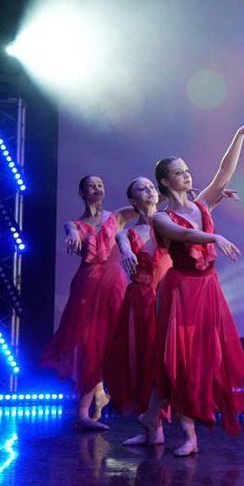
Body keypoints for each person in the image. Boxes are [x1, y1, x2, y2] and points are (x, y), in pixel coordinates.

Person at [137, 116, 244, 456]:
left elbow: (224, 172)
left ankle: (150, 419)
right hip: (180, 293)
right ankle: (188, 435)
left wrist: (239, 135)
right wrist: (214, 236)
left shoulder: (202, 204)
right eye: (178, 172)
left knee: (200, 359)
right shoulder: (161, 217)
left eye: (187, 170)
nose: (186, 175)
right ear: (165, 182)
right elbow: (183, 235)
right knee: (181, 361)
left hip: (207, 290)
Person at [40, 175, 129, 430]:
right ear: (82, 192)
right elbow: (70, 229)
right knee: (90, 343)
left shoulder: (117, 216)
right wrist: (72, 233)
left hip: (114, 282)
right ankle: (83, 412)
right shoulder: (75, 224)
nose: (97, 188)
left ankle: (107, 395)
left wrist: (176, 195)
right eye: (92, 185)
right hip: (88, 284)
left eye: (100, 185)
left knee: (116, 340)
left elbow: (149, 203)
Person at [102, 176, 173, 443]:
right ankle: (153, 430)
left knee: (166, 361)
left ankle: (157, 423)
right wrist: (127, 251)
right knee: (142, 360)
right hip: (141, 300)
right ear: (132, 200)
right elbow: (122, 241)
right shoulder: (128, 233)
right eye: (142, 189)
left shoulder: (170, 223)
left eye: (152, 187)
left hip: (167, 298)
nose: (149, 190)